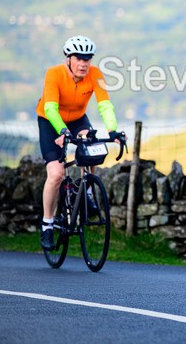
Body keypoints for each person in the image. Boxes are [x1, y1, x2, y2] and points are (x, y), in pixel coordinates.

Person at [36, 35, 123, 250]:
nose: (84, 64)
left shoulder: (95, 74)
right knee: (56, 174)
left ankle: (87, 192)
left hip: (77, 119)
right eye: (79, 58)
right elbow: (50, 109)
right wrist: (62, 131)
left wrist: (113, 130)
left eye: (87, 59)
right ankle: (47, 224)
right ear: (68, 59)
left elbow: (104, 105)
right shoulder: (54, 74)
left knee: (91, 146)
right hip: (51, 121)